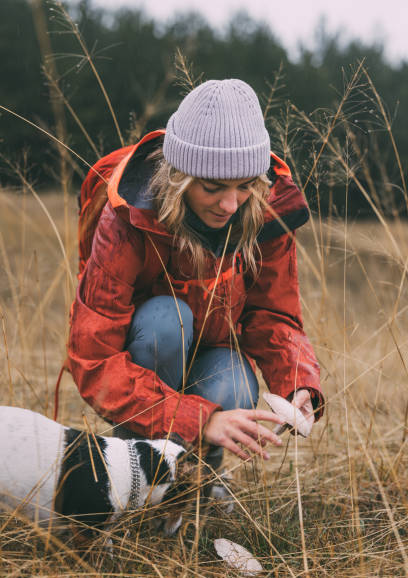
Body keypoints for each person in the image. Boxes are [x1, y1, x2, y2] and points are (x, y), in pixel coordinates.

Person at [68, 79, 323, 471]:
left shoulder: (265, 214)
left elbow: (274, 315)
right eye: (212, 187)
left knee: (236, 385)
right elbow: (94, 358)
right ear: (178, 177)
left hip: (215, 351)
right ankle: (139, 466)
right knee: (166, 323)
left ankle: (197, 483)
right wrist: (198, 418)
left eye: (244, 187)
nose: (230, 204)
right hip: (148, 352)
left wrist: (297, 383)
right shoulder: (126, 219)